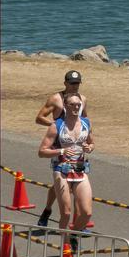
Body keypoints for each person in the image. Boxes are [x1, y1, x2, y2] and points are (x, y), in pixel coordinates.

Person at [37, 92, 94, 253]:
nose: (76, 107)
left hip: (80, 170)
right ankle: (67, 247)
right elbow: (41, 151)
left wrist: (90, 147)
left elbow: (91, 142)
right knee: (66, 212)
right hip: (61, 170)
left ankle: (73, 235)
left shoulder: (86, 123)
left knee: (87, 212)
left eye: (78, 105)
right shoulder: (56, 125)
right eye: (72, 105)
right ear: (65, 106)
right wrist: (61, 151)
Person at [35, 70, 88, 227]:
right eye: (72, 83)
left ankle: (78, 225)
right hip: (59, 145)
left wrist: (87, 139)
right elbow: (39, 118)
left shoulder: (82, 99)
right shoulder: (56, 99)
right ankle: (48, 209)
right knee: (63, 181)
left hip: (76, 145)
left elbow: (84, 118)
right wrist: (54, 125)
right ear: (65, 83)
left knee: (72, 183)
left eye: (77, 83)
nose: (75, 86)